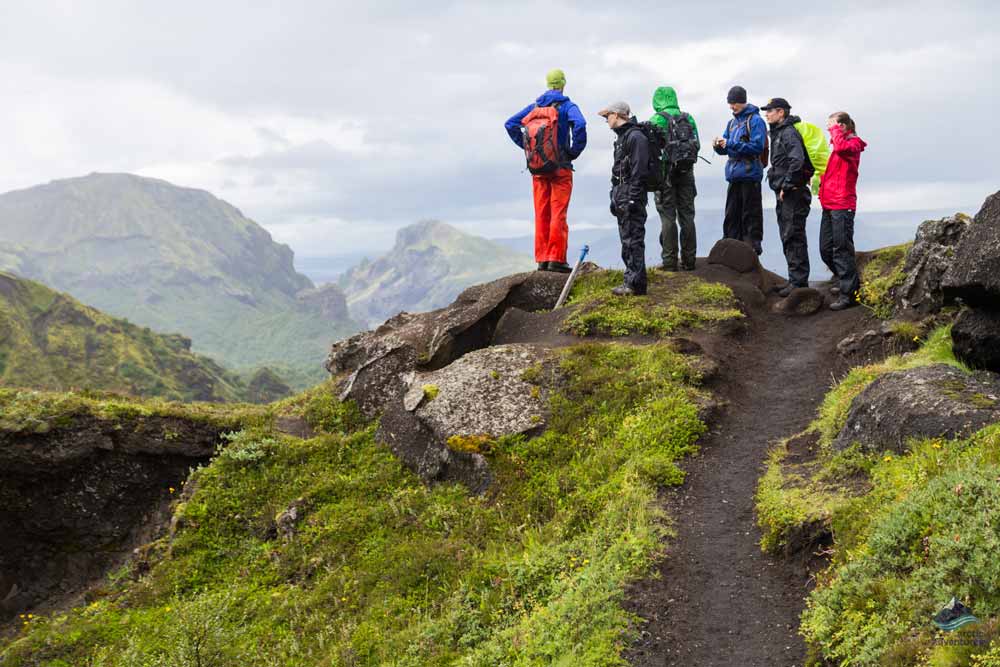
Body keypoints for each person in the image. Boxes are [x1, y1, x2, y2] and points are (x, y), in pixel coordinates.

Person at [505, 69, 587, 273]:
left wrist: (531, 150)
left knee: (541, 213)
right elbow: (580, 124)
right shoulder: (568, 106)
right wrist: (573, 152)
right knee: (558, 213)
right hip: (561, 168)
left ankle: (542, 259)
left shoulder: (535, 107)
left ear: (548, 84)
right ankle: (556, 260)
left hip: (538, 169)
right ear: (563, 84)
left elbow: (510, 124)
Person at [761, 97, 814, 296]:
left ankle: (799, 283)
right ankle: (794, 279)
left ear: (781, 112)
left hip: (793, 193)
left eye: (770, 111)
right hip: (786, 192)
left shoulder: (789, 133)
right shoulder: (779, 132)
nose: (767, 114)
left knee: (793, 235)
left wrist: (787, 184)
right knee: (788, 234)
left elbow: (796, 160)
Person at [819, 111, 867, 310]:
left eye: (832, 125)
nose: (829, 129)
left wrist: (835, 132)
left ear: (843, 127)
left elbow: (841, 147)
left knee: (842, 249)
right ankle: (844, 280)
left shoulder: (853, 145)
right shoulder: (840, 147)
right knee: (825, 249)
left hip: (843, 204)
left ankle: (850, 295)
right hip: (830, 203)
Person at [601, 101, 649, 296]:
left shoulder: (635, 137)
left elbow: (640, 170)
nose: (606, 120)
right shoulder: (623, 137)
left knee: (633, 238)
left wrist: (632, 198)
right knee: (627, 238)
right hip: (622, 194)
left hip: (631, 194)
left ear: (617, 115)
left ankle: (635, 284)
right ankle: (631, 281)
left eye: (608, 116)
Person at [649, 86, 699, 271]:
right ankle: (689, 260)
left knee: (667, 216)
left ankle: (670, 261)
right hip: (687, 172)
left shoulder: (657, 119)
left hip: (665, 175)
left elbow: (651, 151)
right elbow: (697, 145)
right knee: (687, 216)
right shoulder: (688, 118)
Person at [713, 86, 767, 255]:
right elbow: (726, 148)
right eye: (730, 103)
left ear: (742, 101)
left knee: (750, 214)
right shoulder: (732, 123)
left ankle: (751, 248)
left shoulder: (756, 121)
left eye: (734, 103)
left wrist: (730, 143)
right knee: (731, 214)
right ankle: (730, 247)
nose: (732, 106)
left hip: (750, 175)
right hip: (734, 175)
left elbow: (757, 147)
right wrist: (718, 146)